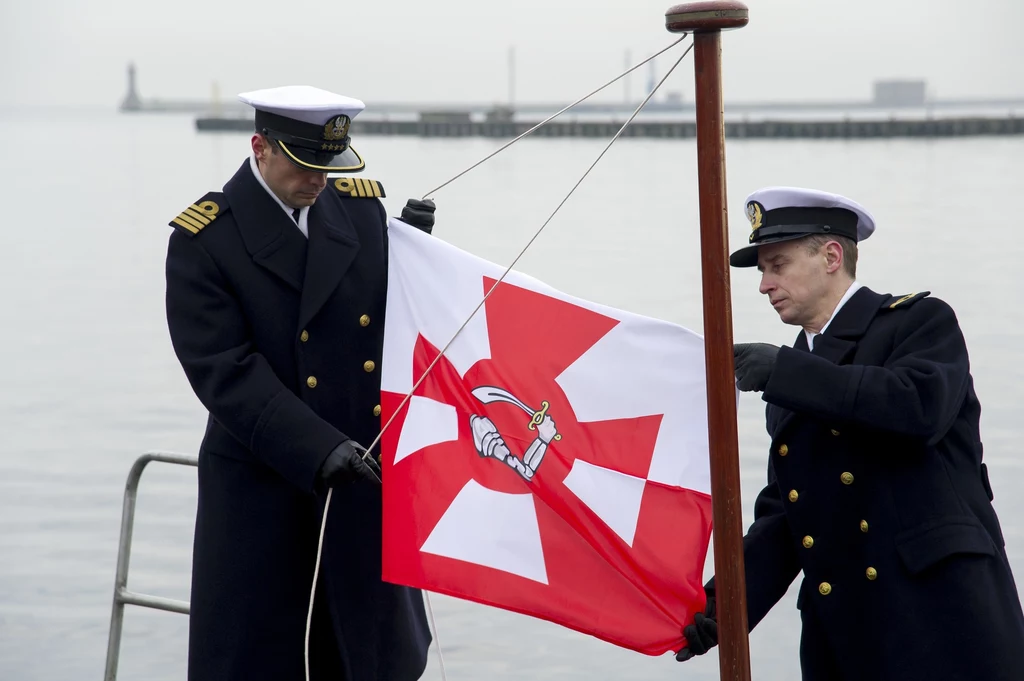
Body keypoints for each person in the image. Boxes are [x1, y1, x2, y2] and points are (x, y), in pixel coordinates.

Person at [675, 186, 1024, 679]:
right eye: (763, 271)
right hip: (848, 638)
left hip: (942, 625)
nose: (764, 284)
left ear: (832, 256)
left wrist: (786, 371)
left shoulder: (918, 323)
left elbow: (917, 408)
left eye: (779, 264)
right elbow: (786, 517)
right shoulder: (795, 374)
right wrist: (720, 608)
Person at [164, 85, 437, 681]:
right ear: (261, 148)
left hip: (361, 484)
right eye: (306, 165)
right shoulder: (204, 240)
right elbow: (225, 372)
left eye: (329, 165)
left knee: (369, 657)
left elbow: (385, 329)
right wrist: (317, 448)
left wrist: (420, 263)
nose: (320, 180)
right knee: (263, 657)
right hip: (265, 492)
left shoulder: (361, 211)